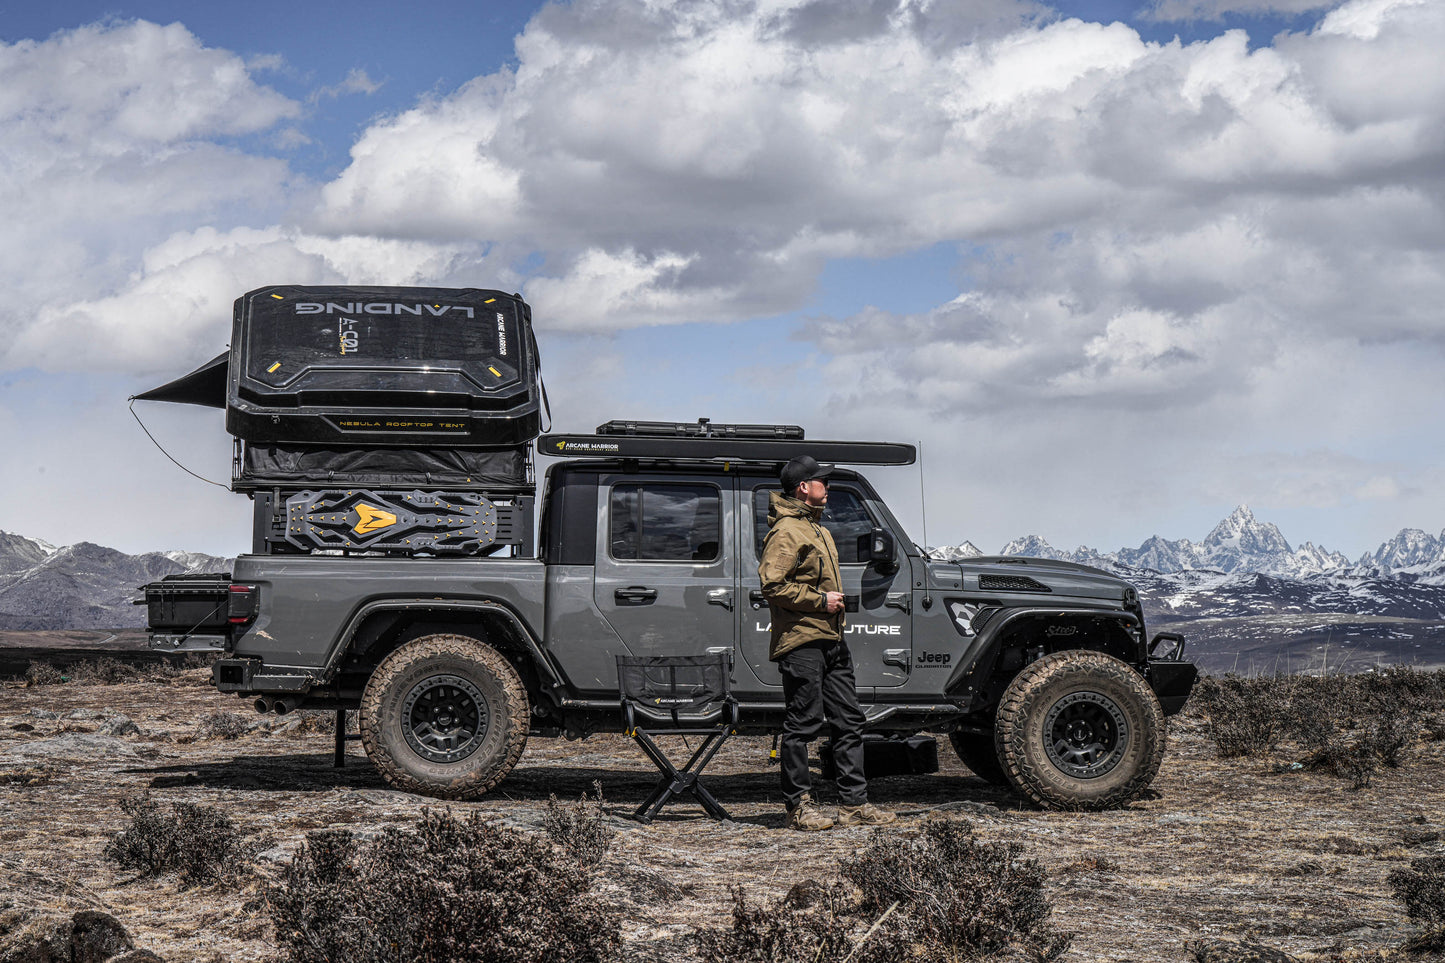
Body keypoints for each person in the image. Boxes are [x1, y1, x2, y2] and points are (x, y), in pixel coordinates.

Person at [759, 454, 897, 831]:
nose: (828, 486)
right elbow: (772, 584)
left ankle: (854, 805)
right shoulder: (787, 531)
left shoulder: (817, 529)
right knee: (802, 725)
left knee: (849, 721)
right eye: (822, 481)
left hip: (832, 639)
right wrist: (820, 601)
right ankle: (798, 807)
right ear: (804, 488)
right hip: (802, 641)